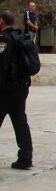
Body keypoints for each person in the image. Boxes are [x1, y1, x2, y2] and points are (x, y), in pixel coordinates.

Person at [0, 10, 34, 170]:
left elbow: (2, 66)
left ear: (2, 21)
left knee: (20, 121)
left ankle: (25, 157)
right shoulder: (20, 37)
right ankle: (25, 157)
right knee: (21, 122)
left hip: (6, 89)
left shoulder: (5, 40)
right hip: (21, 88)